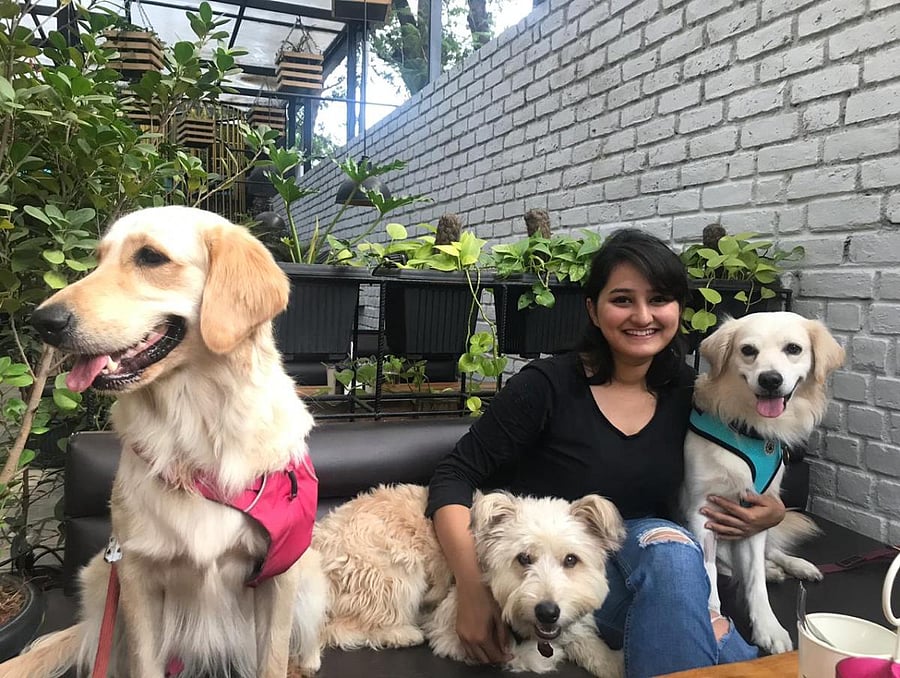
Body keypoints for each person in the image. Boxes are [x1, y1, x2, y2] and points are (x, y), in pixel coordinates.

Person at [425, 228, 787, 677]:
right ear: (593, 310)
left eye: (658, 299)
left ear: (678, 308)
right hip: (553, 561)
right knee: (685, 586)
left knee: (674, 554)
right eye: (622, 300)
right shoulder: (546, 386)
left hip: (648, 553)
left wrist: (773, 511)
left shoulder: (690, 392)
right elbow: (453, 476)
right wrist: (474, 589)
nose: (643, 315)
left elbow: (750, 454)